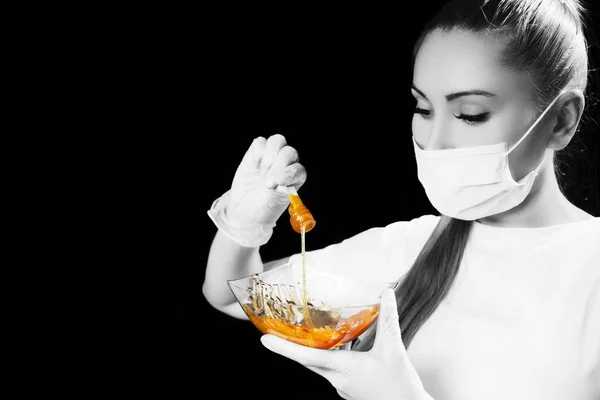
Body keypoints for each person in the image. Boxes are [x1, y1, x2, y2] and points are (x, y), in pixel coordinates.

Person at [202, 0, 600, 398]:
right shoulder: (409, 248)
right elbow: (231, 295)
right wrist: (243, 225)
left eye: (471, 114)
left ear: (562, 120)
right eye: (423, 108)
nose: (434, 142)